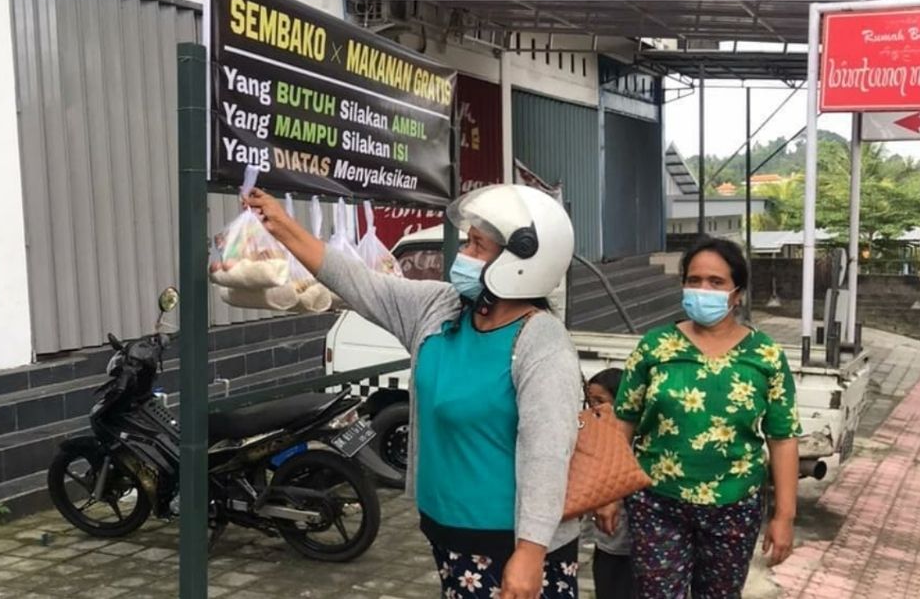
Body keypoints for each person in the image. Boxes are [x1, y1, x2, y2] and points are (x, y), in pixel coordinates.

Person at [244, 184, 584, 599]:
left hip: (510, 542)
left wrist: (531, 553)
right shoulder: (440, 308)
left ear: (520, 263)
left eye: (477, 246)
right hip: (448, 529)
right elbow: (358, 282)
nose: (463, 256)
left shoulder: (541, 342)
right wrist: (280, 225)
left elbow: (547, 456)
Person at [599, 237, 801, 598]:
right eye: (694, 280)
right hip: (657, 503)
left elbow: (783, 437)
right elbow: (623, 421)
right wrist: (609, 493)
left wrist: (784, 516)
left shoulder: (765, 355)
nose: (702, 289)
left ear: (737, 293)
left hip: (735, 507)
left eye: (716, 282)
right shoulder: (655, 346)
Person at [583, 368, 635, 599]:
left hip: (635, 541)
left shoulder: (636, 440)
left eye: (601, 401)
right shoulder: (593, 435)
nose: (594, 407)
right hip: (606, 540)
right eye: (590, 401)